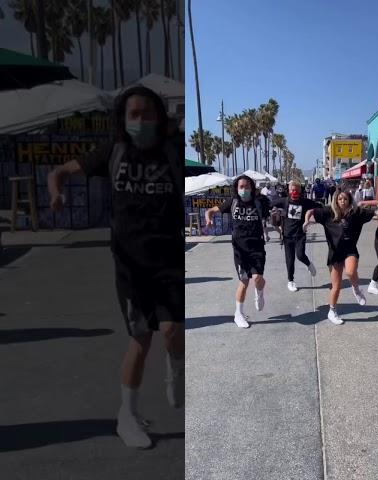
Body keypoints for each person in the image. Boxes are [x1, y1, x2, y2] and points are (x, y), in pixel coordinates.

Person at [47, 86, 185, 449]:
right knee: (140, 339)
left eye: (148, 113)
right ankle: (127, 417)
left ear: (160, 116)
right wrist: (56, 191)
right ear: (123, 120)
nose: (141, 121)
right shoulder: (114, 151)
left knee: (172, 331)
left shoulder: (173, 150)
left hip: (169, 260)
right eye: (133, 114)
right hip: (130, 264)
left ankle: (176, 368)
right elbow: (59, 171)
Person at [303, 190, 378, 325]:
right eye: (340, 199)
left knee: (351, 272)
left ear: (349, 200)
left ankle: (356, 289)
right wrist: (306, 222)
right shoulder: (328, 212)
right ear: (336, 201)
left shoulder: (356, 213)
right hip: (334, 253)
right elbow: (311, 211)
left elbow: (375, 212)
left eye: (345, 199)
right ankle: (332, 311)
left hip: (350, 250)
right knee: (336, 286)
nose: (342, 201)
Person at [204, 175, 270, 329]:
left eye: (247, 187)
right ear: (236, 188)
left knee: (258, 278)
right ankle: (238, 314)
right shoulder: (232, 202)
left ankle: (259, 292)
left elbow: (272, 218)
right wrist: (208, 218)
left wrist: (278, 219)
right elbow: (211, 211)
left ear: (252, 188)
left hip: (257, 248)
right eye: (241, 187)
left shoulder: (259, 202)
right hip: (240, 250)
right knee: (244, 280)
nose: (244, 189)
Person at [270, 180, 321, 291]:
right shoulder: (285, 201)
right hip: (287, 235)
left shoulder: (305, 202)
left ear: (300, 190)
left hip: (300, 234)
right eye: (292, 190)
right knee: (290, 259)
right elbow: (270, 204)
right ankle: (291, 281)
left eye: (296, 190)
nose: (294, 192)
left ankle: (308, 264)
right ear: (289, 190)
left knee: (300, 255)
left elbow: (318, 206)